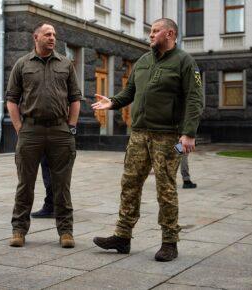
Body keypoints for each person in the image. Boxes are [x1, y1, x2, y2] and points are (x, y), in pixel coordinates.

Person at [91, 18, 203, 262]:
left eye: (155, 31)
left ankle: (169, 242)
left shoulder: (185, 62)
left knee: (165, 188)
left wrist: (189, 133)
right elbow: (130, 91)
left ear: (170, 33)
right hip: (139, 134)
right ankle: (122, 236)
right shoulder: (143, 61)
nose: (150, 35)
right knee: (129, 183)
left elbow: (195, 99)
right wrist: (113, 102)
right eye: (150, 31)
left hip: (168, 135)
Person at [6, 22, 82, 248]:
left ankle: (66, 232)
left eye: (54, 35)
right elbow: (12, 99)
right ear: (36, 37)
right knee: (25, 184)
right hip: (31, 129)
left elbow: (75, 99)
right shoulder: (22, 64)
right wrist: (20, 127)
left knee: (62, 185)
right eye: (48, 34)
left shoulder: (66, 64)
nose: (52, 38)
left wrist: (72, 127)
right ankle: (19, 230)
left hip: (60, 130)